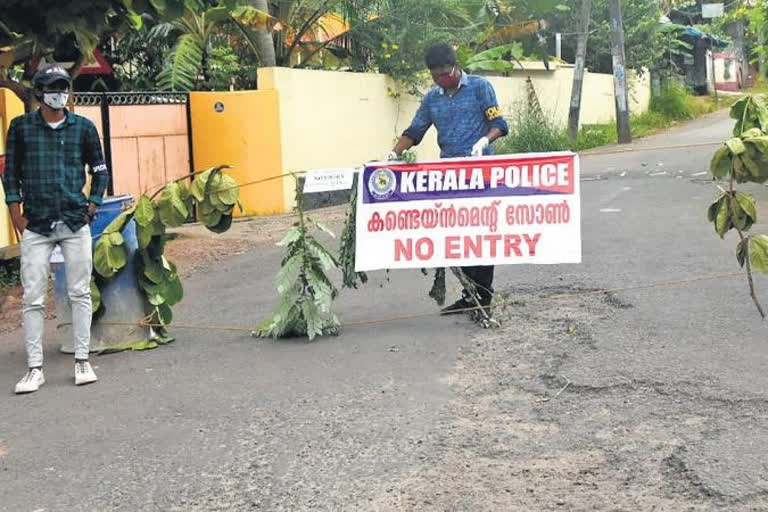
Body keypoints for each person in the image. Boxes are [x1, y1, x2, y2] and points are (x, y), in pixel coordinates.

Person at [2, 63, 109, 394]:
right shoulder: (21, 128)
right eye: (52, 87)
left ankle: (82, 360)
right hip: (36, 223)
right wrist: (16, 212)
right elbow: (11, 173)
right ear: (39, 92)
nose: (59, 93)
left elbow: (100, 170)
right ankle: (35, 369)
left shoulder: (83, 128)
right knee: (33, 297)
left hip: (75, 221)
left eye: (64, 87)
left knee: (79, 292)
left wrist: (92, 205)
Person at [388, 43, 509, 316]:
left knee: (480, 237)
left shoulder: (480, 88)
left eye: (446, 73)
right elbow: (415, 130)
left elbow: (500, 125)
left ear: (456, 66)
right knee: (459, 238)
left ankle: (483, 298)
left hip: (481, 176)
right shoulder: (432, 99)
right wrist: (393, 154)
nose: (442, 79)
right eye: (436, 75)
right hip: (450, 179)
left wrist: (484, 140)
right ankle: (470, 295)